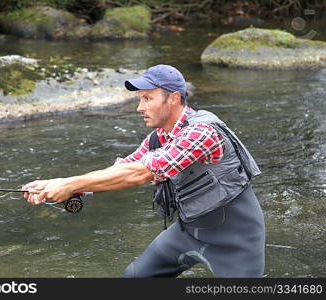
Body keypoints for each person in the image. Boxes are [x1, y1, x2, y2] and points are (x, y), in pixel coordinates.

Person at [22, 64, 265, 278]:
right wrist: (56, 185)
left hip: (235, 241)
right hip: (189, 231)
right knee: (135, 278)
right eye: (140, 99)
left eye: (147, 99)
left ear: (174, 98)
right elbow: (124, 168)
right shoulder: (157, 138)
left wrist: (70, 185)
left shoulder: (202, 132)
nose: (139, 107)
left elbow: (141, 173)